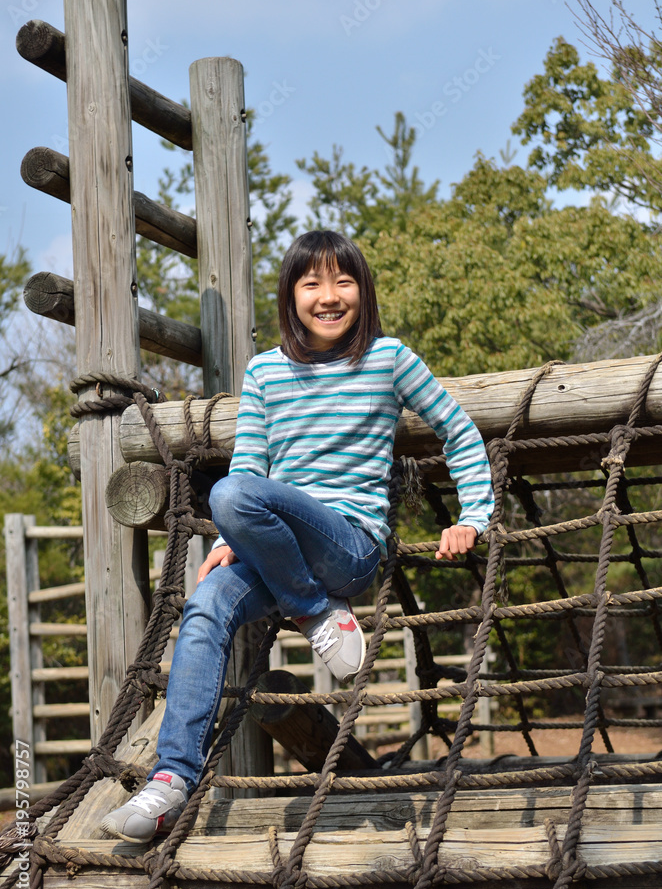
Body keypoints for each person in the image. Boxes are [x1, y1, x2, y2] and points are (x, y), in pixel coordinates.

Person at [101, 230, 494, 843]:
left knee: (231, 496)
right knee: (204, 604)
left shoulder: (389, 359)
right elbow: (250, 465)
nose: (329, 296)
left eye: (343, 281)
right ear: (291, 296)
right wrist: (237, 533)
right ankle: (171, 780)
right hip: (277, 550)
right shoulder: (265, 373)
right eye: (312, 283)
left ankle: (314, 610)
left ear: (363, 291)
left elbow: (460, 431)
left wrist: (473, 517)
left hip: (351, 544)